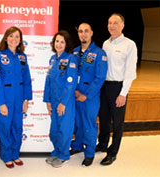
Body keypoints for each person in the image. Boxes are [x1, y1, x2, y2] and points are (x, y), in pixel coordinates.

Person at [98, 13, 138, 166]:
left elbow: (130, 71)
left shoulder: (129, 45)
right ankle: (102, 144)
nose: (112, 26)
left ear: (122, 25)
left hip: (118, 87)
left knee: (117, 123)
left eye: (115, 23)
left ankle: (113, 152)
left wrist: (123, 93)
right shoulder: (105, 44)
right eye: (109, 22)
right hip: (105, 87)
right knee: (104, 119)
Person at [0, 26, 32, 168]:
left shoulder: (22, 57)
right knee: (5, 128)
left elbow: (27, 79)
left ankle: (15, 154)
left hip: (19, 98)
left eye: (17, 37)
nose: (14, 39)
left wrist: (26, 100)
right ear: (6, 38)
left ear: (20, 40)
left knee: (17, 127)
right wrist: (1, 103)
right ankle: (6, 156)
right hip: (5, 99)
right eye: (11, 36)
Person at [69, 23, 108, 167]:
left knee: (88, 124)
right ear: (78, 34)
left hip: (89, 97)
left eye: (86, 31)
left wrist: (86, 95)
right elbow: (70, 74)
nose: (83, 34)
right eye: (80, 31)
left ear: (91, 33)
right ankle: (77, 145)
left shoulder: (99, 53)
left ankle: (90, 152)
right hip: (75, 95)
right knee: (77, 123)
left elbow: (100, 78)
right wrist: (73, 90)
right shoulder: (73, 52)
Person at [43, 30, 79, 168]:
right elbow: (48, 81)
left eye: (62, 42)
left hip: (66, 102)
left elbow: (71, 82)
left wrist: (63, 103)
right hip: (53, 100)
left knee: (64, 129)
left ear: (66, 44)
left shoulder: (71, 59)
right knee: (54, 130)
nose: (59, 44)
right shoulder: (52, 59)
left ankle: (64, 155)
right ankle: (57, 151)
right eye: (57, 41)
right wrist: (47, 101)